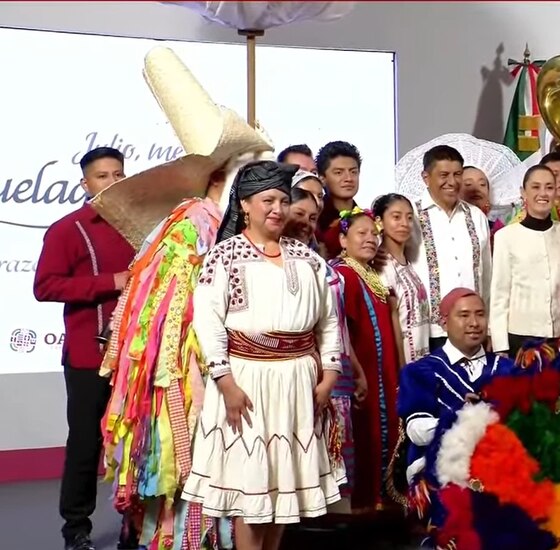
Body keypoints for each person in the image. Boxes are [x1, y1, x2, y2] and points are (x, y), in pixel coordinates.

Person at [92, 46, 276, 550]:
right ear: (224, 177)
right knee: (186, 470)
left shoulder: (231, 228)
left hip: (226, 364)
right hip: (189, 367)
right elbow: (168, 314)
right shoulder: (193, 225)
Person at [182, 161, 346, 550]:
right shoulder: (224, 257)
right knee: (251, 491)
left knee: (283, 489)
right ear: (245, 204)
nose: (276, 208)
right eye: (267, 200)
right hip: (248, 381)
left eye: (282, 200)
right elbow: (209, 323)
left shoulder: (308, 260)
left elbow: (327, 322)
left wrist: (330, 374)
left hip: (298, 383)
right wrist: (225, 382)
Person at [34, 147, 132, 550]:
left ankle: (137, 523)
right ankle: (76, 528)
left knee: (139, 441)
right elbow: (45, 287)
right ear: (85, 184)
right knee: (85, 443)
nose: (112, 182)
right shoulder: (66, 229)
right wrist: (111, 281)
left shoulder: (142, 227)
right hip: (88, 355)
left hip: (137, 356)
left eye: (118, 174)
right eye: (102, 176)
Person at [396, 288, 515, 519]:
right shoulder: (421, 371)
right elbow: (417, 431)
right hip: (443, 477)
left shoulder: (507, 369)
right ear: (444, 322)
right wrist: (463, 418)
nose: (474, 322)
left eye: (480, 314)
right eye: (464, 315)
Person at [330, 207, 404, 512]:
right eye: (361, 233)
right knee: (365, 432)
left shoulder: (372, 276)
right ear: (343, 239)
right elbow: (341, 329)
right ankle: (364, 505)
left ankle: (381, 501)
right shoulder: (342, 274)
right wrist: (356, 372)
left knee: (383, 429)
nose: (371, 239)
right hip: (361, 372)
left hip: (382, 371)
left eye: (374, 234)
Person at [410, 145, 494, 351]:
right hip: (430, 332)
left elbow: (487, 276)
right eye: (444, 175)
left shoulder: (476, 217)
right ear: (426, 177)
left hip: (472, 330)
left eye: (457, 174)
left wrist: (489, 328)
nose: (452, 182)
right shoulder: (410, 214)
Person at [490, 165, 560, 355]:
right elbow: (499, 293)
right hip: (520, 338)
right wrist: (500, 346)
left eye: (549, 187)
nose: (543, 193)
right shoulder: (506, 236)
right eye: (536, 187)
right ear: (524, 193)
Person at [375, 193, 430, 364]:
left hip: (423, 355)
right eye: (396, 217)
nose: (404, 224)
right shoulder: (382, 266)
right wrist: (401, 370)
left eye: (409, 217)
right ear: (380, 221)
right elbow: (390, 324)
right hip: (402, 359)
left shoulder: (408, 262)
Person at [316, 140, 362, 256]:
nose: (348, 178)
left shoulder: (366, 218)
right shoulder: (315, 219)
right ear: (322, 179)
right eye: (338, 172)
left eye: (353, 172)